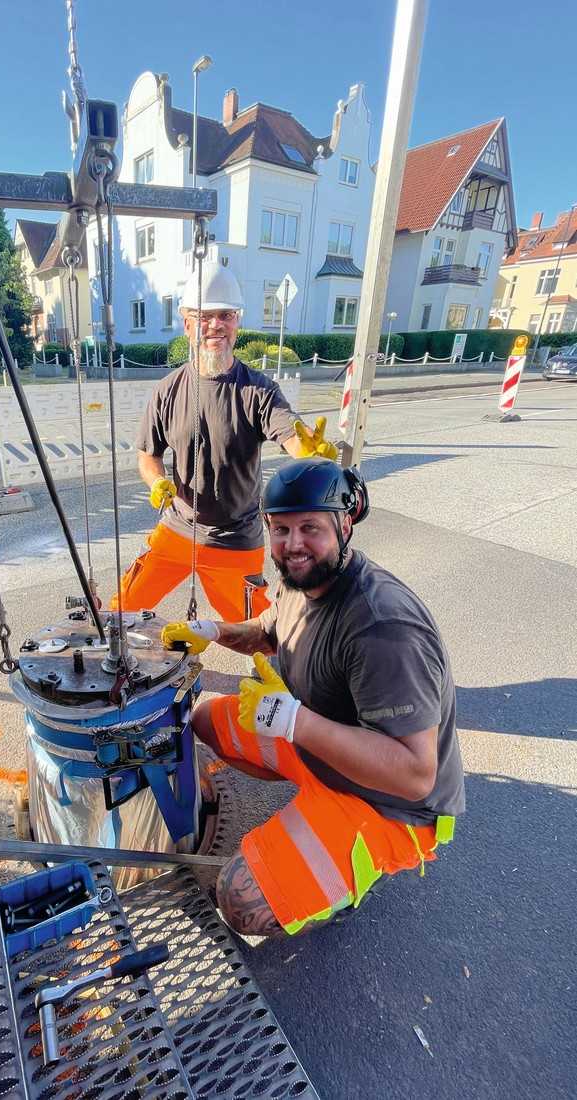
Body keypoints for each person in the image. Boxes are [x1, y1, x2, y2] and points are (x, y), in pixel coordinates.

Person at [161, 459, 464, 937]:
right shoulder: (301, 578)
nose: (293, 544)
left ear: (346, 523)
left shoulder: (383, 627)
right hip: (320, 743)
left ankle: (354, 872)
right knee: (203, 722)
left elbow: (415, 775)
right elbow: (267, 632)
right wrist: (213, 631)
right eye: (280, 529)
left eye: (310, 528)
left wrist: (291, 720)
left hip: (385, 801)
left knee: (241, 901)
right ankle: (309, 810)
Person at [112, 262, 337, 623]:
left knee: (263, 637)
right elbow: (147, 456)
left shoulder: (258, 390)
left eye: (225, 315)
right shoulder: (167, 391)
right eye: (204, 316)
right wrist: (156, 483)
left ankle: (285, 675)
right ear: (187, 324)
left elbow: (290, 434)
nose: (215, 325)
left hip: (235, 538)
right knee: (121, 610)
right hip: (177, 528)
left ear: (237, 324)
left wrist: (308, 453)